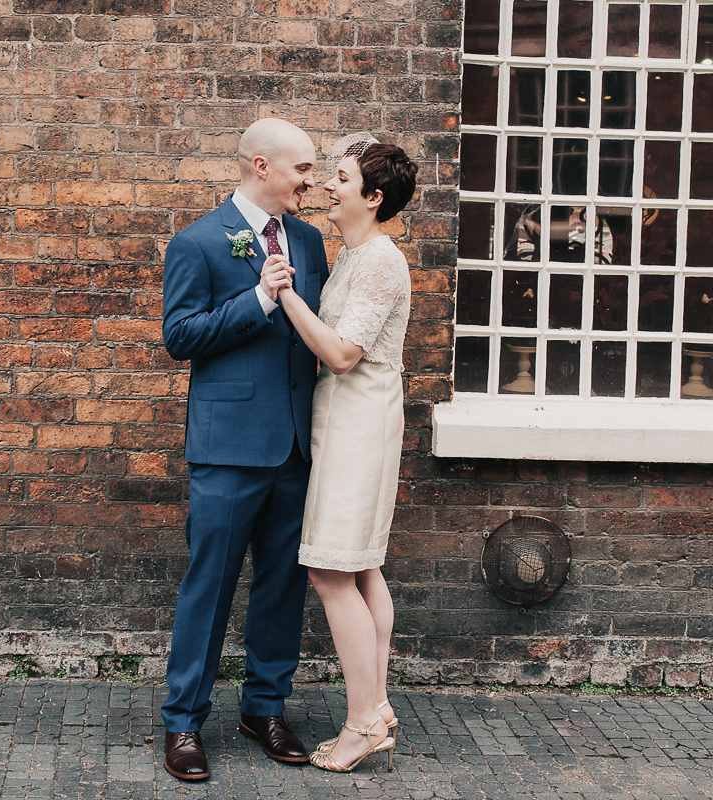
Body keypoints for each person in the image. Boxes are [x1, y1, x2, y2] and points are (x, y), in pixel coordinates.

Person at [159, 118, 329, 781]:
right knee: (211, 583)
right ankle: (183, 722)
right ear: (262, 166)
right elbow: (181, 336)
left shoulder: (311, 243)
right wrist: (260, 297)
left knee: (284, 585)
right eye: (302, 170)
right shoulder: (198, 243)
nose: (310, 182)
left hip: (294, 443)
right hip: (227, 448)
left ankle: (265, 707)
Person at [272, 133, 417, 773]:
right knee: (360, 568)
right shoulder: (355, 256)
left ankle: (363, 722)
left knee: (331, 570)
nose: (328, 186)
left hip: (361, 421)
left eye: (341, 177)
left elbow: (340, 353)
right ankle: (376, 708)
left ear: (373, 196)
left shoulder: (381, 260)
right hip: (346, 419)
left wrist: (283, 293)